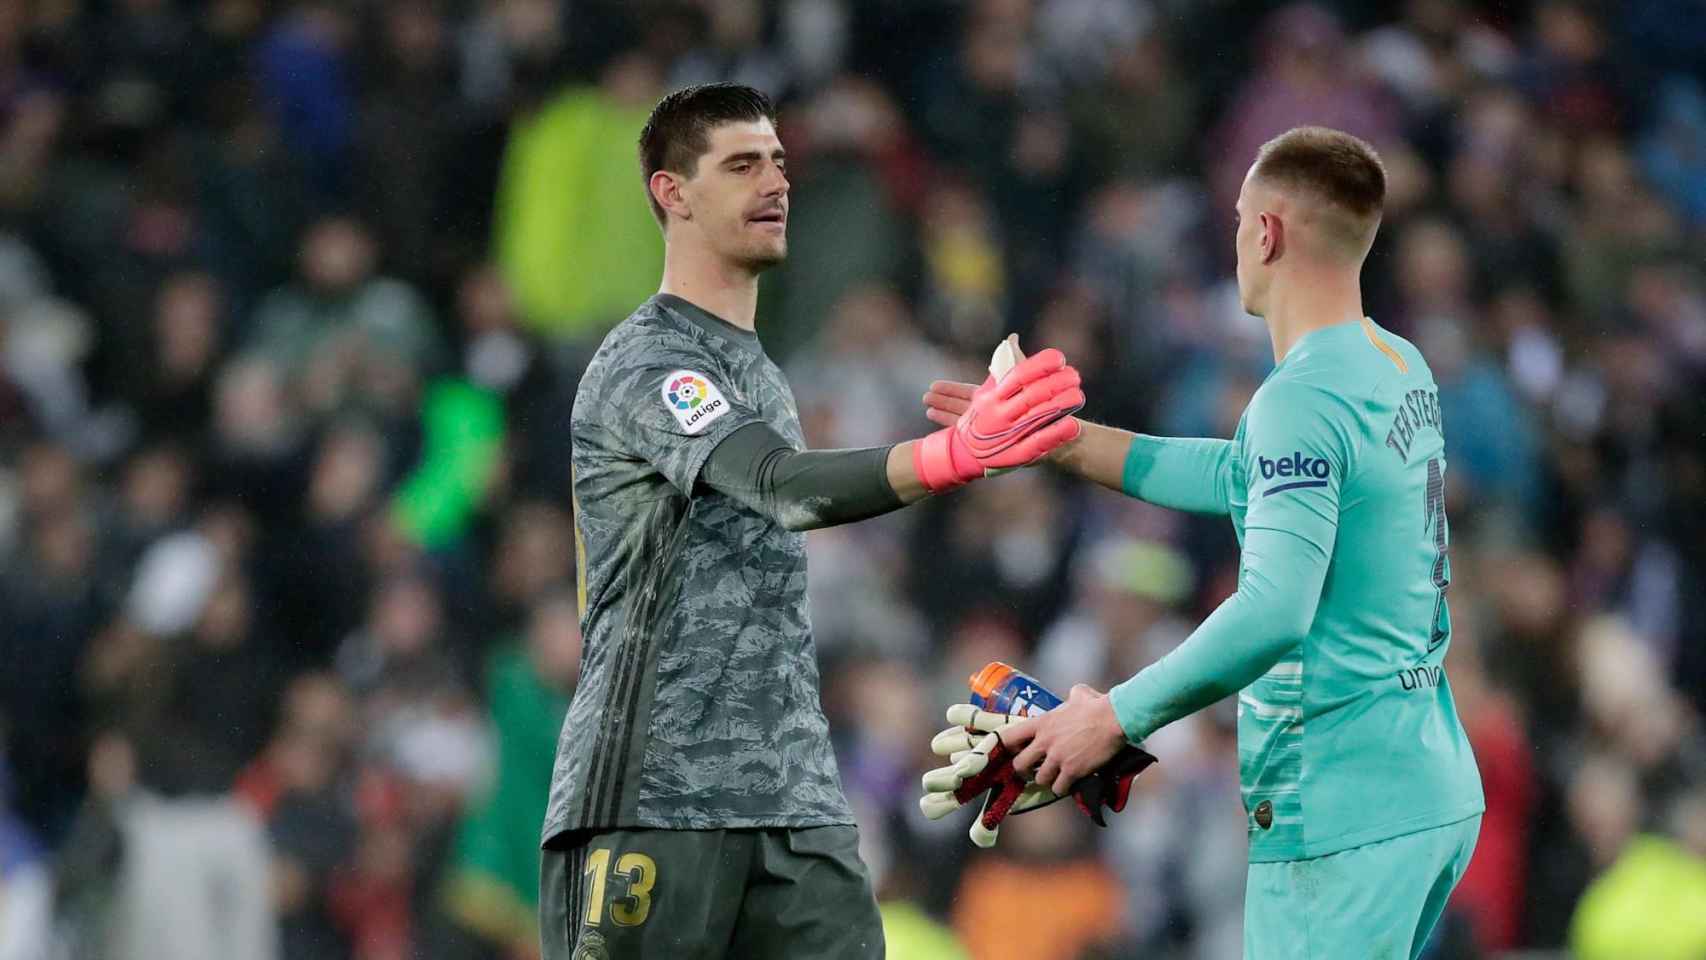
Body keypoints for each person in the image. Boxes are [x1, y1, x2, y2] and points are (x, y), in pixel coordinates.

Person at [539, 82, 1085, 960]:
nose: (776, 183)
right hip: (656, 794)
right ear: (670, 193)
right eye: (742, 165)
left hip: (794, 805)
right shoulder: (648, 361)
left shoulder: (759, 373)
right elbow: (781, 484)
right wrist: (959, 453)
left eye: (782, 164)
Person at [926, 126, 1485, 959]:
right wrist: (1062, 442)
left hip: (1337, 811)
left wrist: (1112, 718)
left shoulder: (1300, 400)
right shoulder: (1395, 364)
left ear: (1267, 233)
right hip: (1421, 790)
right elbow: (1243, 474)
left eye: (1236, 220)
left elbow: (1274, 612)